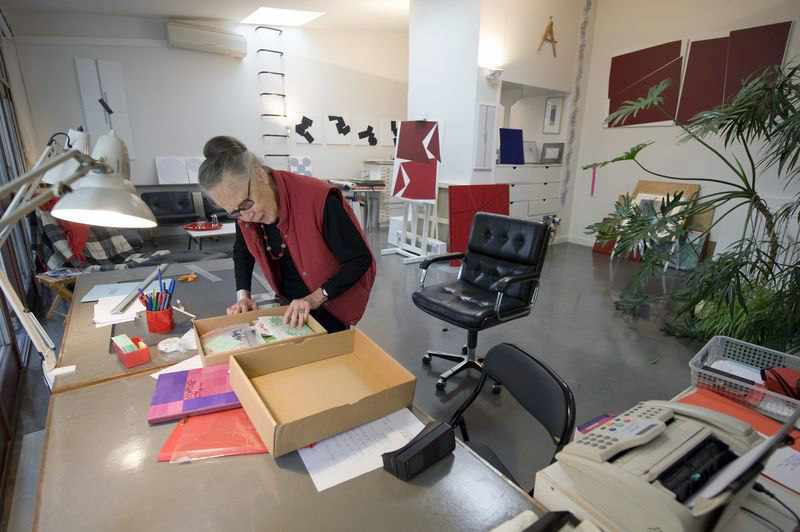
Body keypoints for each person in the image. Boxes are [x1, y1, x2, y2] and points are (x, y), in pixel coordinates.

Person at [197, 136, 375, 332]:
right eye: (235, 213)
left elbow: (359, 259)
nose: (246, 217)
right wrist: (243, 297)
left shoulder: (318, 198)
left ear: (259, 174)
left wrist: (313, 298)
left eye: (246, 205)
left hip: (330, 302)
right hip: (288, 304)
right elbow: (243, 251)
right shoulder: (243, 210)